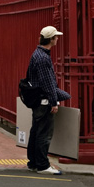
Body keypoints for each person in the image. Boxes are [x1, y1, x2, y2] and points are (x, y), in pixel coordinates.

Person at [26, 25, 71, 175]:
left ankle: (33, 162)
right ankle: (42, 165)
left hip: (37, 100)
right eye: (56, 37)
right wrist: (54, 101)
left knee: (36, 131)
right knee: (44, 134)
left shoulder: (36, 54)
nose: (57, 39)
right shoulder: (44, 58)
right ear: (51, 39)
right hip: (44, 101)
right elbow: (48, 83)